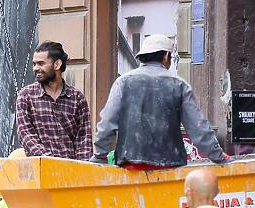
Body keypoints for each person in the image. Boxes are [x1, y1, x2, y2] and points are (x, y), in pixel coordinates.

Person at [92, 34, 230, 169]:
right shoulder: (179, 85)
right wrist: (218, 155)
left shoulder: (122, 82)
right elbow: (198, 127)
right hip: (170, 165)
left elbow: (107, 123)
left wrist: (100, 155)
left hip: (131, 165)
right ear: (165, 56)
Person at [15, 41, 92, 161]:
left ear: (57, 65)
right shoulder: (26, 96)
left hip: (70, 173)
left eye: (41, 63)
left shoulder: (77, 98)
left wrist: (82, 171)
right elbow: (26, 136)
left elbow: (84, 141)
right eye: (34, 64)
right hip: (40, 173)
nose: (36, 68)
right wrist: (52, 162)